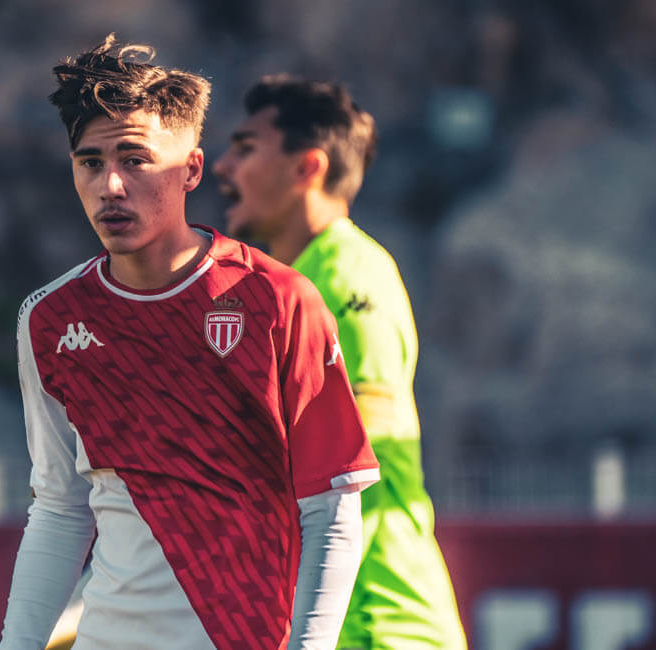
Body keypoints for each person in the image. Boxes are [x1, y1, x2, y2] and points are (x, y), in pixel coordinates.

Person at [0, 36, 380, 650]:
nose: (110, 185)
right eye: (90, 162)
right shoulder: (49, 319)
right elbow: (60, 509)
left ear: (192, 170)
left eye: (136, 160)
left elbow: (331, 514)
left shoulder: (279, 300)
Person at [213, 76, 467, 650]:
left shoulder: (349, 277)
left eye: (245, 148)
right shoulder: (292, 286)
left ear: (308, 167)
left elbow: (357, 454)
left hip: (379, 622)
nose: (223, 167)